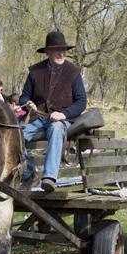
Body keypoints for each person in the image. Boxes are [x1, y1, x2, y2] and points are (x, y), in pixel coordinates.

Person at [19, 31, 87, 192]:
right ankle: (29, 173)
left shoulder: (73, 72)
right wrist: (28, 103)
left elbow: (81, 102)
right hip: (37, 117)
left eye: (63, 50)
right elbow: (24, 97)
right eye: (57, 50)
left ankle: (49, 177)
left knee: (56, 129)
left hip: (60, 119)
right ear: (48, 52)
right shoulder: (35, 72)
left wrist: (64, 114)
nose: (61, 53)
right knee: (16, 134)